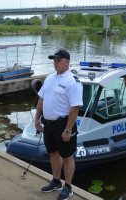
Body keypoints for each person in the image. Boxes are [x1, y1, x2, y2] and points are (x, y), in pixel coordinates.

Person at [35, 49, 83, 200]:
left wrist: (68, 130)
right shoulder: (49, 78)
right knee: (53, 153)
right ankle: (56, 181)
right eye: (54, 60)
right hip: (48, 124)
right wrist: (37, 119)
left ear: (66, 62)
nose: (55, 63)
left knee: (67, 156)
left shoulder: (72, 81)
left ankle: (68, 187)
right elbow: (41, 99)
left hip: (63, 125)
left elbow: (75, 107)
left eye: (58, 60)